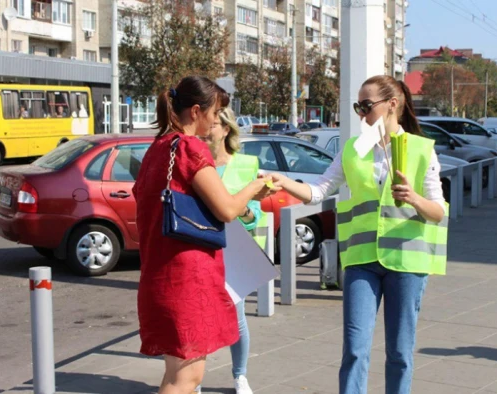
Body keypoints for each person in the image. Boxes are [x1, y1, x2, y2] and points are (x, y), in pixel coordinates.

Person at [268, 75, 448, 394]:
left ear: (392, 105)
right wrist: (283, 181)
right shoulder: (355, 149)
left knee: (399, 353)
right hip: (361, 260)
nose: (362, 115)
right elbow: (320, 190)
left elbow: (439, 211)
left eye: (366, 106)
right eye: (358, 107)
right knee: (354, 349)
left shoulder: (421, 149)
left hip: (407, 262)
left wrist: (414, 198)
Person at [132, 76, 279, 394]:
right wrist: (256, 186)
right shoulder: (188, 147)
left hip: (162, 274)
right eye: (214, 113)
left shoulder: (158, 148)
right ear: (196, 111)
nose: (216, 121)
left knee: (176, 373)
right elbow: (226, 209)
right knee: (187, 378)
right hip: (187, 279)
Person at [194, 107, 267, 394]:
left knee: (235, 317)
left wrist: (242, 210)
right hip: (201, 249)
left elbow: (256, 217)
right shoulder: (196, 164)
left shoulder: (247, 164)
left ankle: (240, 376)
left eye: (212, 126)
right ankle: (194, 380)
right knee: (199, 317)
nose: (207, 130)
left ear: (226, 130)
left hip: (234, 251)